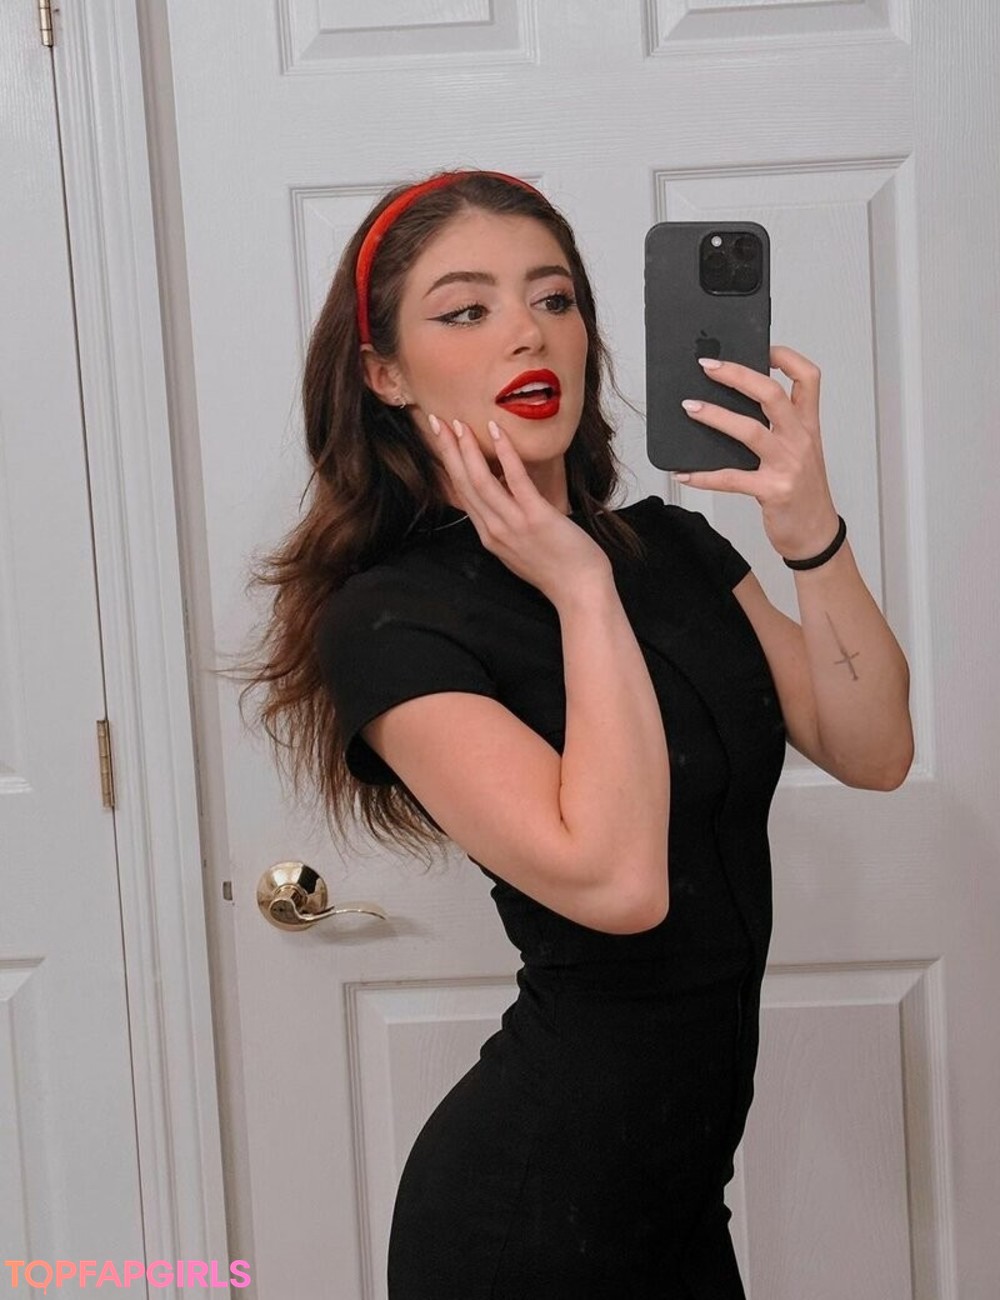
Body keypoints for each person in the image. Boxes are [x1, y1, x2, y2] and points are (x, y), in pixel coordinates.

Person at [240, 169, 914, 1298]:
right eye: (467, 310)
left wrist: (810, 530)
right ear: (385, 373)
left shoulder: (674, 550)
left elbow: (875, 749)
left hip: (679, 1205)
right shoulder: (392, 621)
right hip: (524, 1225)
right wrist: (580, 587)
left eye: (553, 298)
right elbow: (618, 883)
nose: (528, 333)